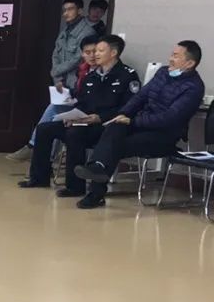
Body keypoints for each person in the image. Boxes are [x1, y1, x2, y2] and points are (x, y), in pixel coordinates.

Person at [75, 40, 205, 209]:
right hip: (141, 124)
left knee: (116, 143)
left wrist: (133, 121)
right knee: (114, 127)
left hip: (163, 136)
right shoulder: (163, 73)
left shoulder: (194, 88)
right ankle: (97, 167)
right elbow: (140, 97)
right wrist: (123, 114)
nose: (170, 59)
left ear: (190, 63)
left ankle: (96, 191)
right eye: (171, 54)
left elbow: (169, 119)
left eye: (176, 56)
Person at [18, 35, 140, 196]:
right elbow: (82, 102)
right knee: (44, 129)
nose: (95, 54)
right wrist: (72, 116)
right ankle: (39, 177)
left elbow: (129, 107)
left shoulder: (127, 75)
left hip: (106, 125)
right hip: (84, 121)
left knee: (74, 133)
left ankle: (75, 186)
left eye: (100, 51)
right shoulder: (91, 76)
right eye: (94, 51)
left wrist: (99, 117)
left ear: (113, 53)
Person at [7, 0, 97, 161]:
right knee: (54, 113)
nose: (66, 13)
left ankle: (37, 150)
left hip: (76, 83)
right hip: (62, 82)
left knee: (53, 112)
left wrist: (56, 71)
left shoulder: (87, 32)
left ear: (80, 11)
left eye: (70, 9)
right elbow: (56, 54)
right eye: (64, 10)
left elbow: (78, 59)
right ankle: (41, 153)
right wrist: (57, 78)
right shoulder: (66, 30)